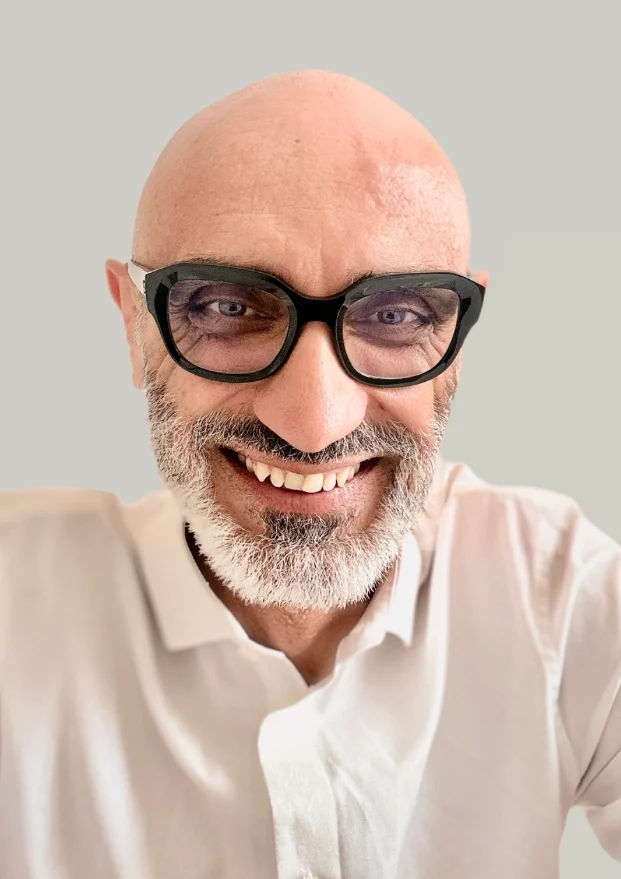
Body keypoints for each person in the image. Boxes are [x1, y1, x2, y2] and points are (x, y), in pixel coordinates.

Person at [0, 70, 619, 879]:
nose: (314, 421)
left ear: (455, 340)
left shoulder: (560, 600)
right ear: (133, 323)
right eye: (228, 307)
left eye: (394, 314)